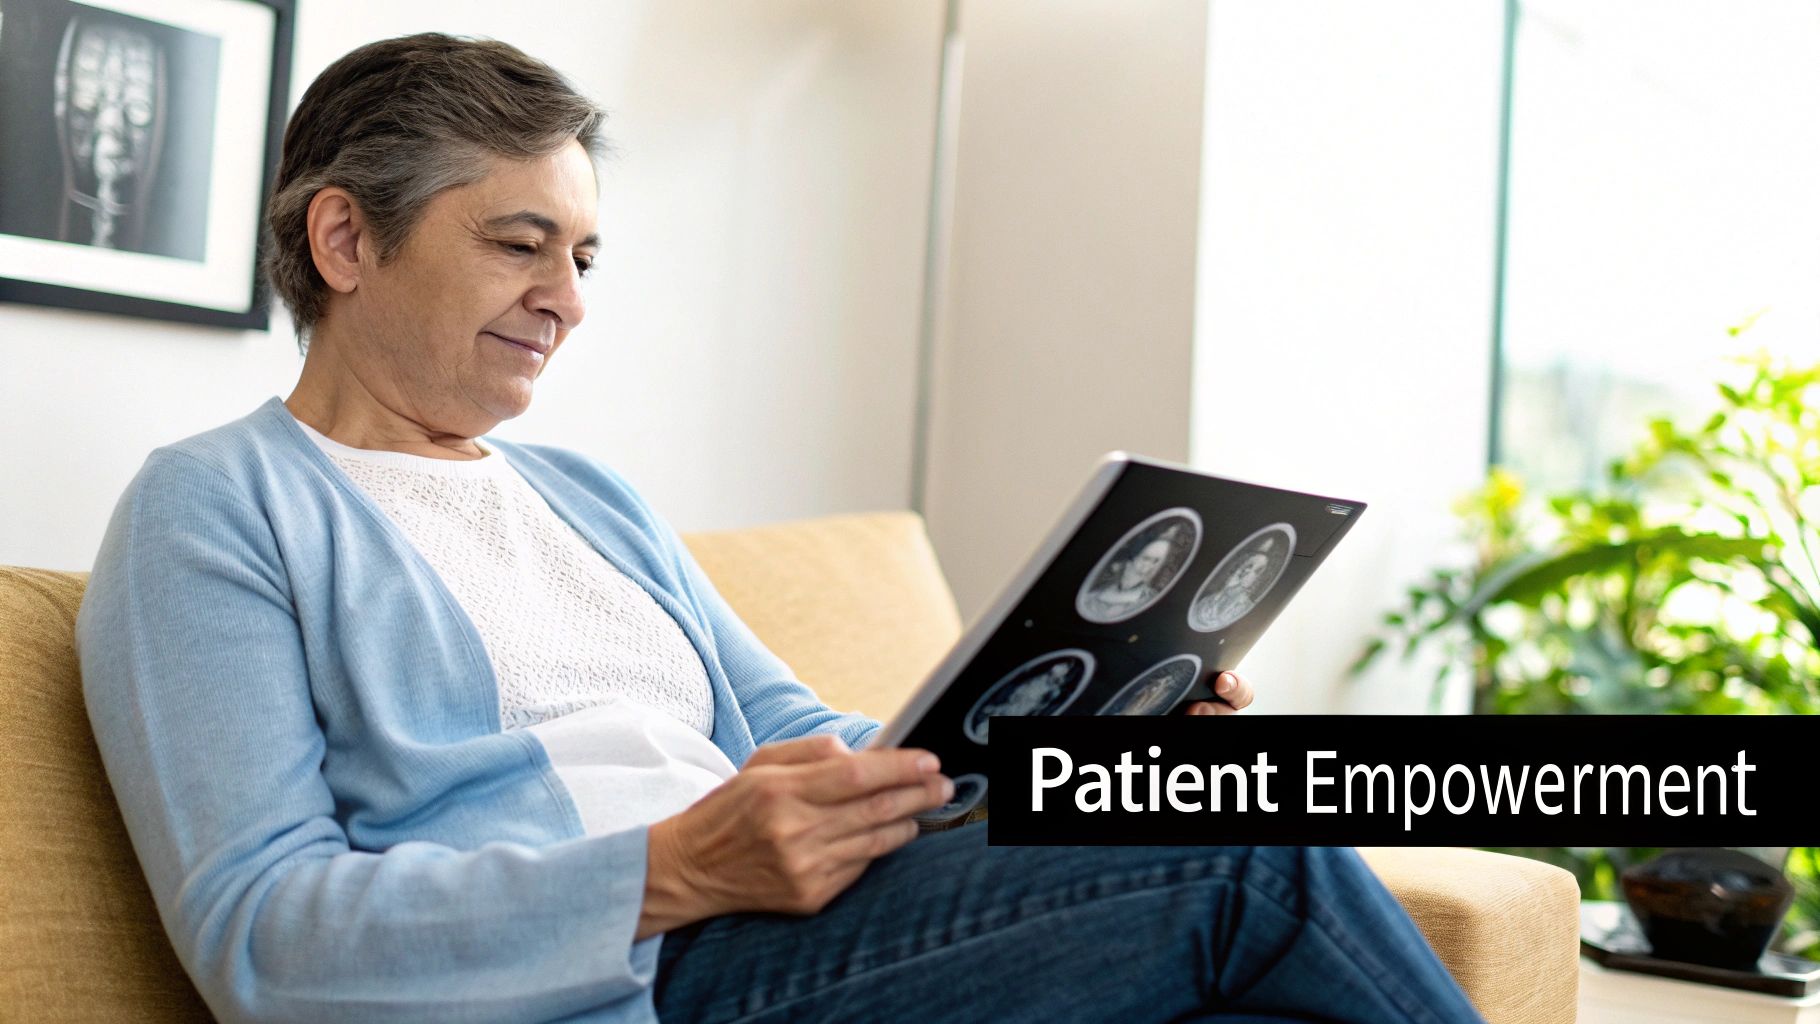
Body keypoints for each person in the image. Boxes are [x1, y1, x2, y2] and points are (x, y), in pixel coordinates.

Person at [75, 33, 1484, 1024]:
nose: (567, 297)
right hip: (653, 981)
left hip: (806, 931)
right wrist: (677, 866)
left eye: (583, 254)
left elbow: (821, 742)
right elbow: (259, 937)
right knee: (1255, 850)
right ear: (345, 243)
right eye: (517, 242)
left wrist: (1083, 741)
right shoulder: (213, 509)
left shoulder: (586, 496)